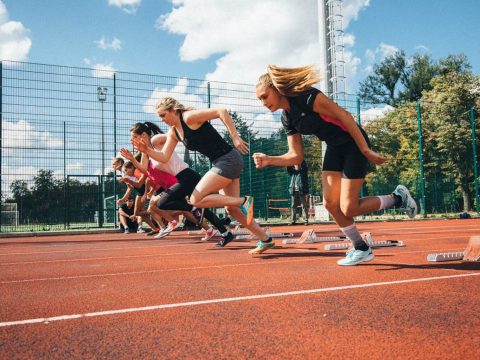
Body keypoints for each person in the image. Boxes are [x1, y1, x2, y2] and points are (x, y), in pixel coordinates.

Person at [253, 65, 418, 265]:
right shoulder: (287, 118)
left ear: (277, 89)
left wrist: (365, 150)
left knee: (348, 207)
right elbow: (296, 156)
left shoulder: (307, 97)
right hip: (334, 147)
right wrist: (270, 159)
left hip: (353, 144)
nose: (263, 103)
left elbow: (345, 116)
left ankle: (398, 198)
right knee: (331, 204)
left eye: (264, 96)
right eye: (259, 99)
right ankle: (361, 248)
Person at [134, 99, 273, 254]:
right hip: (222, 162)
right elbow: (164, 156)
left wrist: (234, 136)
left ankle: (245, 201)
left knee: (195, 200)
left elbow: (221, 111)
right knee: (232, 210)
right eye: (159, 117)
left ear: (174, 110)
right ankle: (265, 239)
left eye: (163, 115)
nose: (161, 119)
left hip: (228, 160)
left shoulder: (188, 117)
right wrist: (146, 150)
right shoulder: (174, 132)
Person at [123, 122, 232, 244]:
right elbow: (144, 169)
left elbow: (174, 136)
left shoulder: (156, 140)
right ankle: (226, 233)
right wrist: (132, 159)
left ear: (143, 135)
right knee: (203, 210)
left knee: (162, 202)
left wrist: (179, 127)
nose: (132, 140)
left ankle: (195, 208)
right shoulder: (146, 151)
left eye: (134, 136)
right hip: (182, 178)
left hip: (187, 176)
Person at [287, 160, 310, 225]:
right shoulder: (293, 172)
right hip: (294, 191)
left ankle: (306, 220)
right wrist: (291, 160)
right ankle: (293, 221)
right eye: (295, 164)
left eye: (298, 164)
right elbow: (288, 168)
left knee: (304, 205)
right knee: (293, 206)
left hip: (301, 191)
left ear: (300, 165)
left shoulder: (303, 172)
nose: (296, 165)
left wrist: (299, 158)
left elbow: (304, 166)